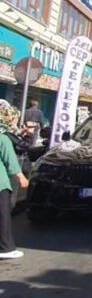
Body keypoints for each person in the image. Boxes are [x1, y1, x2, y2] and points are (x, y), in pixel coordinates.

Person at [0, 101, 27, 260]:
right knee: (3, 216)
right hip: (1, 184)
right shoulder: (3, 139)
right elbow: (11, 161)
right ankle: (5, 248)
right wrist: (21, 177)